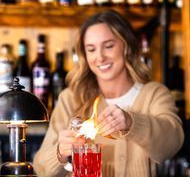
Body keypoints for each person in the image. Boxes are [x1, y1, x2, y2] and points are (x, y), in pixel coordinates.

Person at [33, 10, 184, 177]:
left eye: (109, 46)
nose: (100, 57)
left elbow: (171, 145)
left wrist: (132, 122)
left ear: (126, 46)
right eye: (91, 49)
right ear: (84, 55)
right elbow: (40, 170)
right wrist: (60, 153)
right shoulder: (71, 98)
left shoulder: (154, 94)